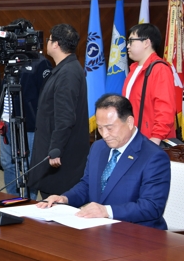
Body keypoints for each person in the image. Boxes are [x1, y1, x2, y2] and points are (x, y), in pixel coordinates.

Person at [37, 94, 170, 230]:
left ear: (129, 122)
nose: (104, 135)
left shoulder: (153, 156)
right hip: (100, 231)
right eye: (100, 128)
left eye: (110, 128)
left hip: (138, 235)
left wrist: (107, 211)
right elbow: (88, 185)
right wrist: (65, 199)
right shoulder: (98, 147)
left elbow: (152, 207)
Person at [28, 23, 90, 199]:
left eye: (49, 39)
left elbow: (65, 117)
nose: (47, 43)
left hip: (60, 158)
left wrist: (55, 149)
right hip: (57, 151)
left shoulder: (68, 73)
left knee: (55, 206)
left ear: (55, 44)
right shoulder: (65, 68)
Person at [0, 19, 52, 197]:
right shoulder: (10, 60)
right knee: (8, 163)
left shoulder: (41, 63)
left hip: (29, 125)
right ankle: (12, 198)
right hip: (6, 123)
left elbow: (46, 98)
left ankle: (29, 201)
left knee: (28, 165)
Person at [122, 23, 176, 145]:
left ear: (146, 43)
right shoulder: (134, 69)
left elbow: (165, 108)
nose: (128, 46)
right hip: (134, 138)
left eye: (131, 41)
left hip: (151, 141)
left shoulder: (159, 69)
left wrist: (156, 138)